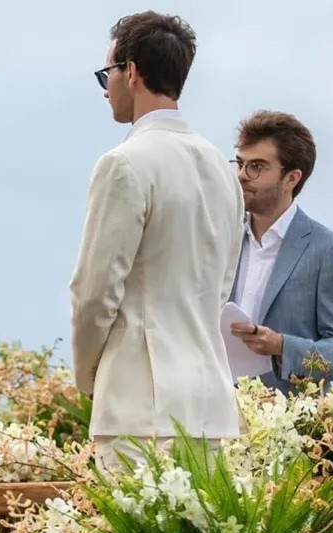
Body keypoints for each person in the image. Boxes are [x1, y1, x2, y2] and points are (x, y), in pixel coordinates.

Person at [69, 11, 244, 470]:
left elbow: (94, 292)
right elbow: (221, 287)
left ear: (130, 71)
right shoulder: (223, 171)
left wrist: (90, 376)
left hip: (138, 405)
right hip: (208, 402)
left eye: (107, 73)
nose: (106, 87)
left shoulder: (123, 164)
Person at [228, 111, 333, 394]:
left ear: (291, 178)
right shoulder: (221, 238)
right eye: (240, 164)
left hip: (290, 431)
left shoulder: (329, 251)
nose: (242, 175)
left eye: (257, 166)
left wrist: (281, 346)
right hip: (213, 422)